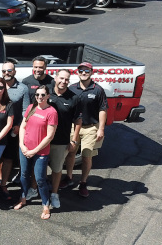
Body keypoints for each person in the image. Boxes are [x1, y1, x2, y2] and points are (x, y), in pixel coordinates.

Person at [15, 85, 57, 221]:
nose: (40, 97)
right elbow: (23, 126)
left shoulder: (51, 112)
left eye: (43, 95)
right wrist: (21, 144)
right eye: (37, 95)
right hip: (25, 148)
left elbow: (49, 136)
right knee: (24, 175)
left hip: (40, 152)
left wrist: (34, 151)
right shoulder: (31, 108)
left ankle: (46, 204)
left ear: (48, 96)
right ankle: (23, 198)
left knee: (40, 179)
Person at [68, 62, 107, 198]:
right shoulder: (71, 88)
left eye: (86, 71)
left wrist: (101, 129)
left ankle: (83, 183)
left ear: (91, 72)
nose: (83, 73)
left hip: (91, 127)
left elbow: (102, 109)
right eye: (81, 71)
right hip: (74, 127)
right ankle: (68, 177)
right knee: (70, 153)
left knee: (86, 156)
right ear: (77, 72)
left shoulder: (98, 90)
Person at [47, 69, 80, 209]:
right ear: (55, 78)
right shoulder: (46, 93)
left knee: (57, 169)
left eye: (66, 79)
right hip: (43, 140)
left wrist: (74, 140)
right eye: (61, 78)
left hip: (61, 141)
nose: (63, 81)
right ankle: (34, 189)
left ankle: (54, 194)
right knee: (38, 168)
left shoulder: (74, 97)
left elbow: (78, 120)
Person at [0, 61, 30, 200]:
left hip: (13, 129)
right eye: (4, 71)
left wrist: (19, 125)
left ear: (14, 72)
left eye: (9, 71)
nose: (6, 73)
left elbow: (25, 110)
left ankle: (4, 184)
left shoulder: (23, 88)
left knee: (9, 157)